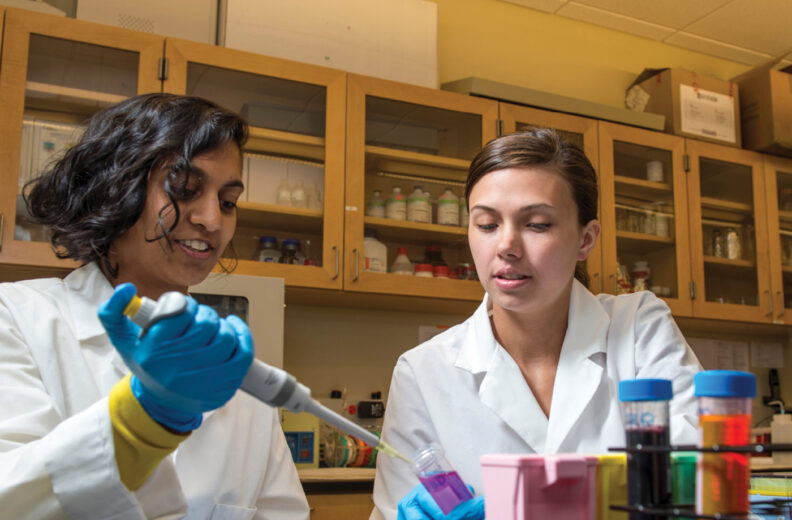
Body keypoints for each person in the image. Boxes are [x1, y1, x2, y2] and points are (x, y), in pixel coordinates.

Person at [0, 93, 310, 519]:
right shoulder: (15, 318)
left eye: (228, 202)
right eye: (185, 190)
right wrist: (138, 425)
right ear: (112, 188)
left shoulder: (233, 374)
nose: (213, 220)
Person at [370, 128, 702, 520]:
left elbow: (694, 477)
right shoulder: (422, 373)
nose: (506, 245)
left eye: (537, 224)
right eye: (487, 224)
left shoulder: (638, 328)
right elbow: (394, 511)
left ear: (586, 239)